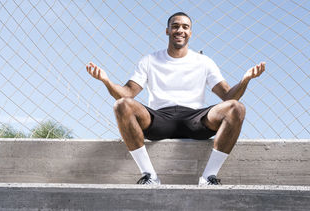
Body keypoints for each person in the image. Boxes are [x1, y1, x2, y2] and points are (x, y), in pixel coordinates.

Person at [86, 12, 265, 185]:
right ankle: (149, 176)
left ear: (190, 33)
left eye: (185, 27)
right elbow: (127, 93)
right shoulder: (149, 60)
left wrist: (245, 79)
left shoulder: (204, 62)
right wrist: (106, 81)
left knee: (237, 107)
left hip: (195, 119)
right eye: (175, 26)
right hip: (159, 119)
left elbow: (228, 96)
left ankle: (208, 177)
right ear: (167, 31)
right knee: (121, 105)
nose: (180, 30)